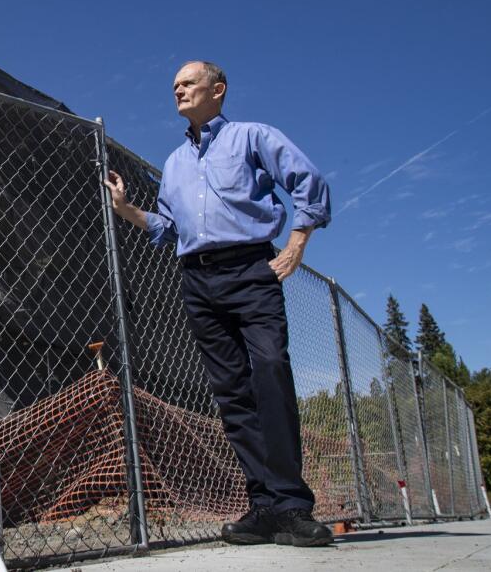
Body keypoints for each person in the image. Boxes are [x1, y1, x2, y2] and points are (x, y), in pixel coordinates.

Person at [105, 61, 333, 547]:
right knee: (230, 392)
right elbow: (167, 228)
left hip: (251, 271)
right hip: (197, 282)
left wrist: (295, 244)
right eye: (174, 87)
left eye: (187, 83)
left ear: (218, 90)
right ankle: (264, 507)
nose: (178, 90)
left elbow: (307, 182)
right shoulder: (174, 164)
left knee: (269, 369)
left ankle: (292, 504)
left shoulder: (252, 138)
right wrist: (125, 208)